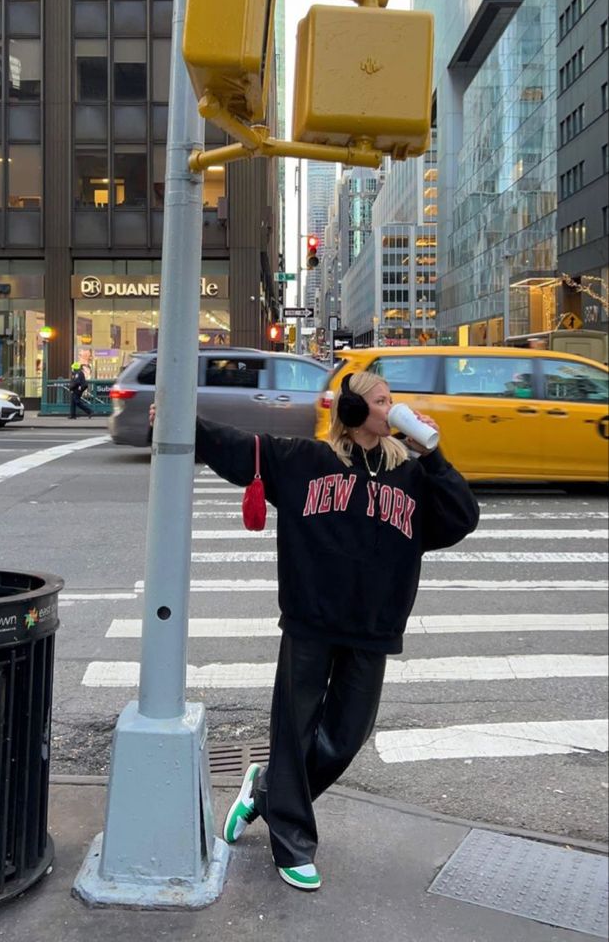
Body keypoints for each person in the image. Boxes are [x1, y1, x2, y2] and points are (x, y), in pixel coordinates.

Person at [191, 369, 480, 892]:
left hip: (374, 625)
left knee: (347, 735)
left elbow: (461, 518)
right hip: (311, 618)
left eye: (394, 402)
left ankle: (262, 792)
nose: (393, 410)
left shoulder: (412, 477)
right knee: (294, 728)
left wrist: (432, 455)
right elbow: (241, 449)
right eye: (382, 402)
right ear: (351, 412)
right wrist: (184, 424)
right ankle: (293, 840)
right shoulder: (305, 461)